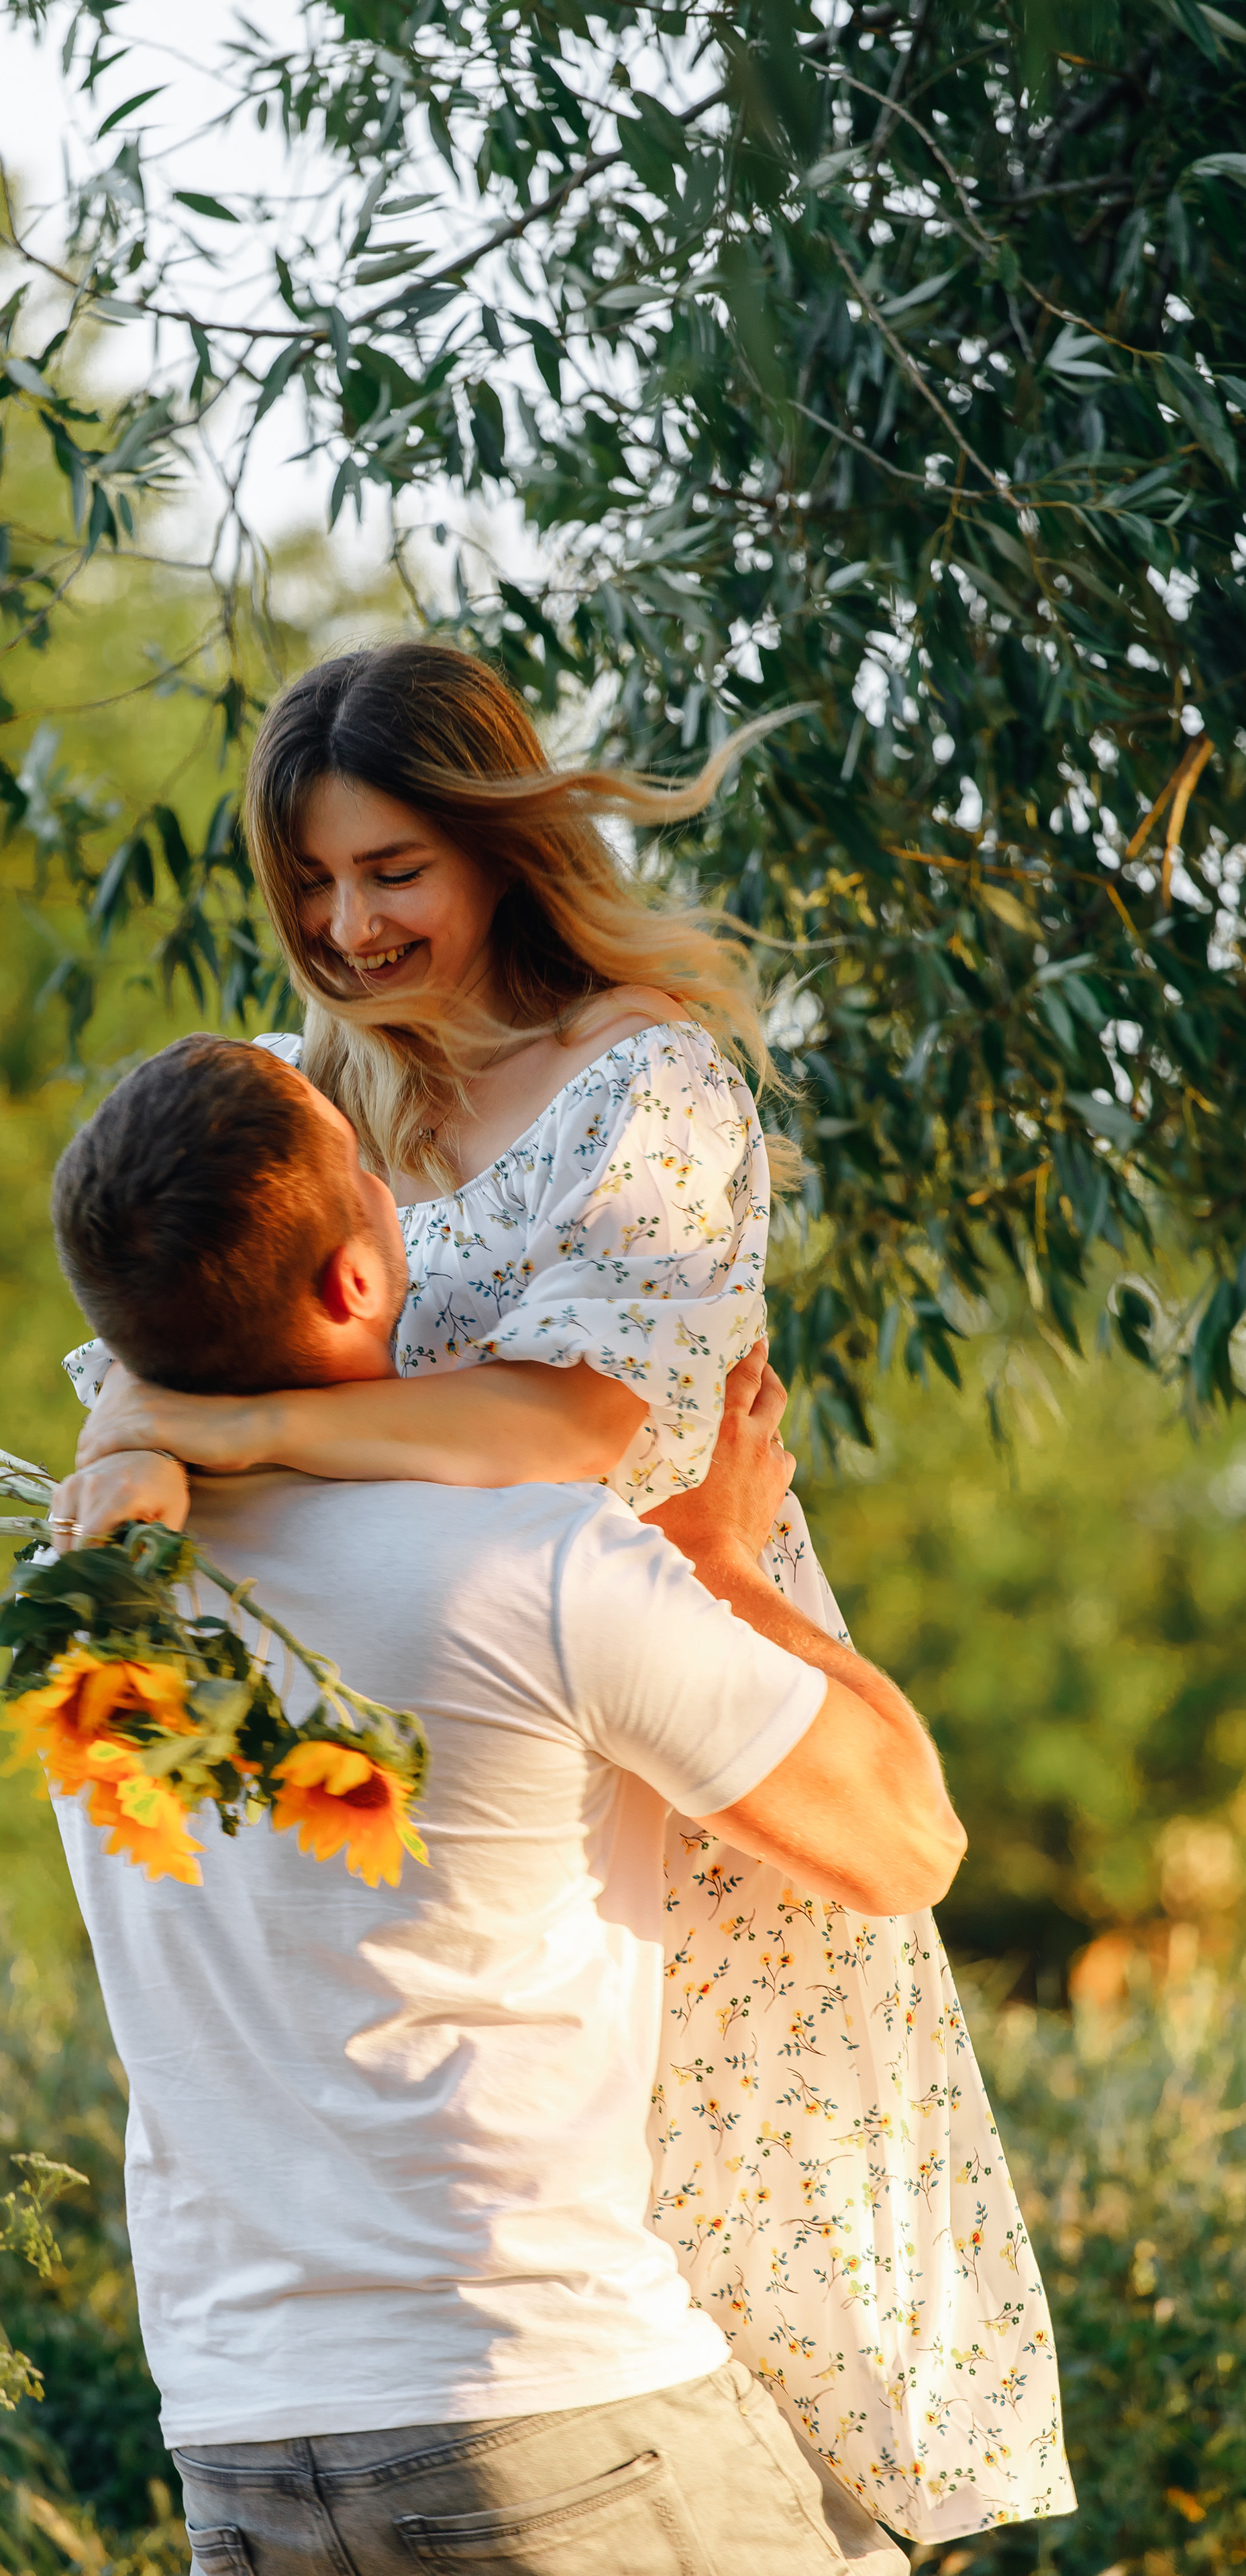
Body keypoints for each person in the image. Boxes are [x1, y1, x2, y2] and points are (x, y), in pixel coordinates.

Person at [64, 643, 1074, 2540]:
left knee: (762, 2345)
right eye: (313, 887)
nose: (348, 929)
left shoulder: (645, 1088)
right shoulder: (299, 1097)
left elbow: (566, 1420)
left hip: (692, 1739)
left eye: (393, 873)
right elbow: (147, 1355)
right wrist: (142, 1433)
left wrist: (246, 1433)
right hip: (464, 1772)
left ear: (500, 847)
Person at [44, 1030, 968, 2575]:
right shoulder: (530, 1566)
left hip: (240, 2448)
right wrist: (724, 1572)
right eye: (371, 1171)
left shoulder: (82, 1600)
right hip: (542, 2410)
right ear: (354, 1280)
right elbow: (902, 1840)